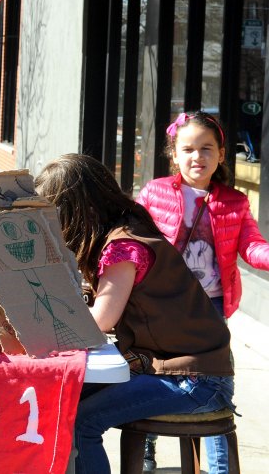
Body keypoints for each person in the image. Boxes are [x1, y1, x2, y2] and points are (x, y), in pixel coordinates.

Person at [34, 154, 234, 474]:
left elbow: (100, 321)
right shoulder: (128, 228)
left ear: (79, 210)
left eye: (57, 216)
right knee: (63, 395)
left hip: (196, 380)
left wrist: (38, 323)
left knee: (83, 420)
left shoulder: (122, 247)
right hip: (179, 369)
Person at [136, 111, 269, 473]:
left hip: (210, 308)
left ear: (222, 154)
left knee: (213, 386)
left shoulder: (235, 202)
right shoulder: (154, 193)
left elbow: (252, 247)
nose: (198, 156)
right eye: (189, 149)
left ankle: (218, 468)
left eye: (207, 148)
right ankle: (146, 449)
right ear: (174, 155)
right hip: (161, 304)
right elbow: (132, 239)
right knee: (154, 373)